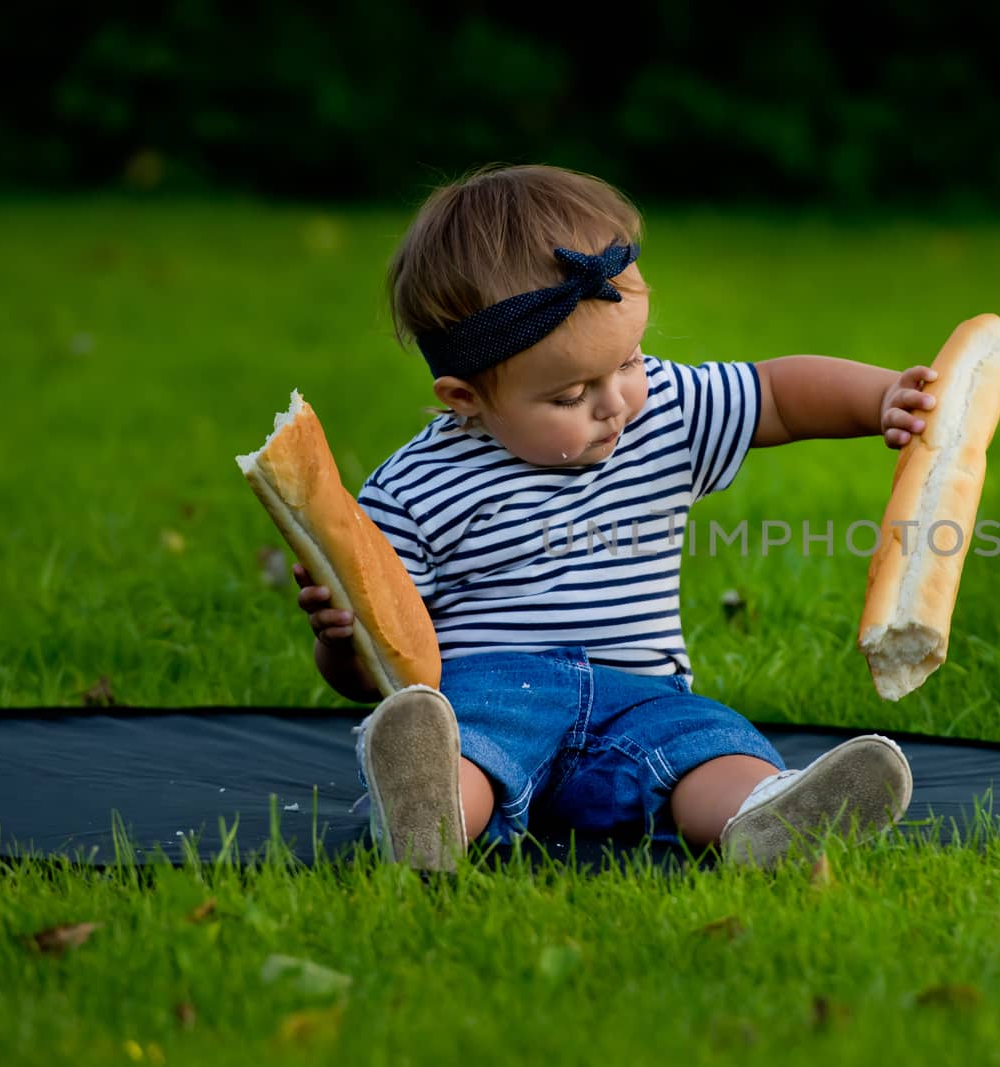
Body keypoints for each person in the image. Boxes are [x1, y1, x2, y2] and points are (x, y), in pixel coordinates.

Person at [293, 163, 938, 871]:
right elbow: (381, 665)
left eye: (627, 360)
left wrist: (881, 398)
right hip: (495, 693)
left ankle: (767, 816)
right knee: (454, 741)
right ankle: (428, 817)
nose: (617, 403)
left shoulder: (661, 407)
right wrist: (339, 636)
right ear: (465, 397)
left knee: (708, 743)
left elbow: (778, 395)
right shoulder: (413, 489)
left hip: (644, 697)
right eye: (572, 393)